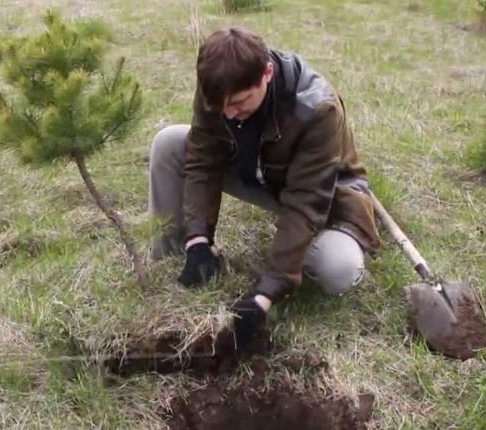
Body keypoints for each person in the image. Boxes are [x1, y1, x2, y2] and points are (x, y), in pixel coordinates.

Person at [148, 27, 380, 348]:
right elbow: (202, 159)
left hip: (323, 193)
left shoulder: (317, 109)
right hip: (261, 175)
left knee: (336, 269)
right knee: (170, 142)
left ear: (267, 73)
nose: (229, 114)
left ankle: (325, 245)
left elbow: (305, 203)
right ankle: (176, 253)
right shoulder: (218, 89)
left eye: (240, 103)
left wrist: (264, 294)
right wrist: (198, 240)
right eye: (221, 107)